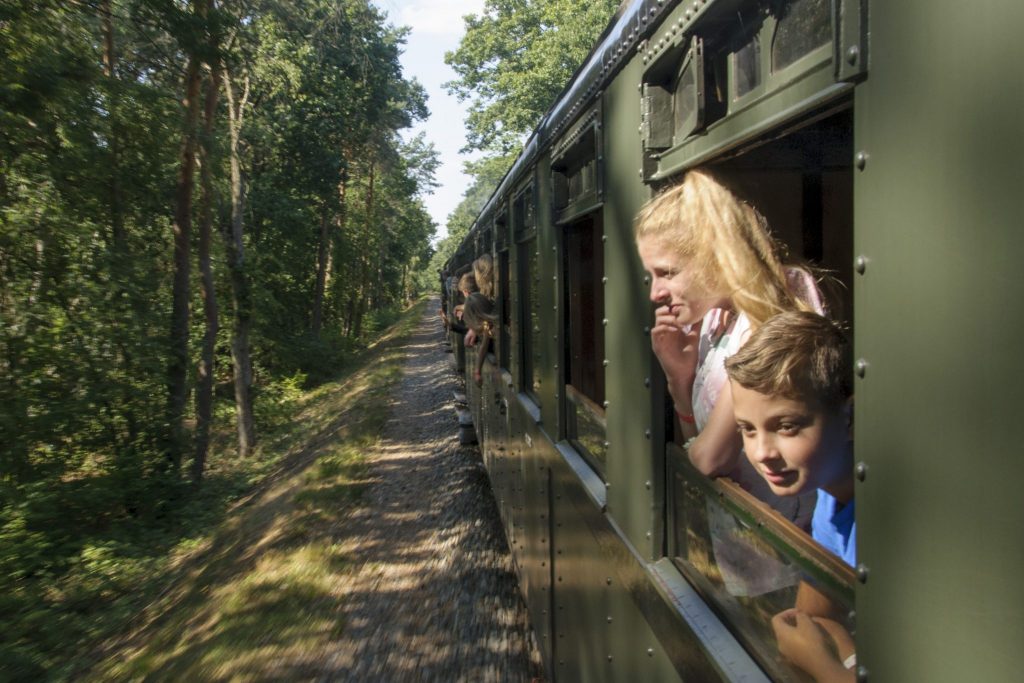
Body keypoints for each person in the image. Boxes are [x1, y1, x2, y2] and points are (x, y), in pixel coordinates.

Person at [634, 168, 824, 483]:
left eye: (667, 273)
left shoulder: (768, 320)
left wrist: (698, 450)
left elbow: (710, 460)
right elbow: (697, 442)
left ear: (717, 257)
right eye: (651, 276)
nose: (655, 294)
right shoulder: (715, 320)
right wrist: (679, 381)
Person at [725, 310, 855, 683]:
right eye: (747, 430)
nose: (762, 451)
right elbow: (813, 619)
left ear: (850, 418)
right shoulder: (829, 499)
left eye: (786, 426)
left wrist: (822, 665)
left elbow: (809, 636)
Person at [462, 292, 496, 384]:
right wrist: (477, 371)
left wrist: (477, 372)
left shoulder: (490, 326)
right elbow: (484, 347)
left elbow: (483, 347)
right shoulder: (487, 325)